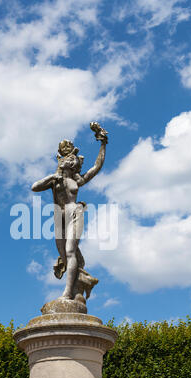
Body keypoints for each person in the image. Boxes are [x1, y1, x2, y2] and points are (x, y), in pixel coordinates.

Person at [32, 122, 108, 302]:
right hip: (59, 216)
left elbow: (96, 167)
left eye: (73, 159)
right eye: (67, 158)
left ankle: (67, 292)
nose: (71, 159)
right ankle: (79, 284)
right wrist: (52, 176)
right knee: (64, 255)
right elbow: (34, 187)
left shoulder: (77, 181)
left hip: (74, 212)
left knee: (70, 251)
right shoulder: (55, 180)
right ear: (61, 162)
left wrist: (103, 144)